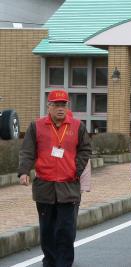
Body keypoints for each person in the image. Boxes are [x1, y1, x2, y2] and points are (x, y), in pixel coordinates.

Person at [18, 90, 91, 267]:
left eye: (63, 104)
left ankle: (64, 263)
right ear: (48, 106)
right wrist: (24, 171)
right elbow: (27, 151)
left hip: (68, 186)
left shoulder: (77, 126)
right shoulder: (36, 126)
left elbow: (85, 150)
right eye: (56, 105)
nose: (60, 108)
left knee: (65, 230)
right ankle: (49, 262)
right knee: (47, 230)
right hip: (45, 187)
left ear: (67, 106)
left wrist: (76, 169)